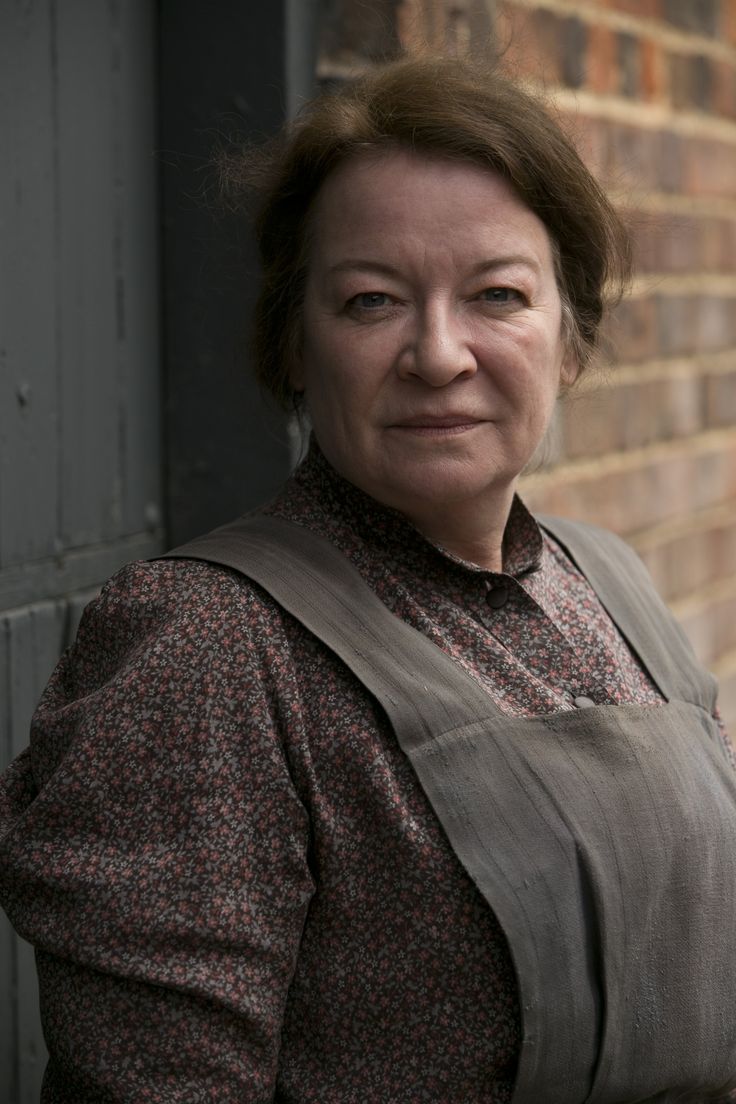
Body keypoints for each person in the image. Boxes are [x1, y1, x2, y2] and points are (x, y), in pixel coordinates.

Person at [1, 54, 736, 1104]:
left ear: (567, 339)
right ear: (295, 344)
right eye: (371, 300)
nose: (437, 354)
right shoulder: (205, 650)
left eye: (497, 294)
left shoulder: (606, 583)